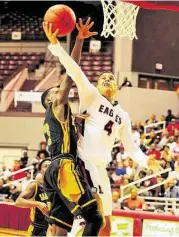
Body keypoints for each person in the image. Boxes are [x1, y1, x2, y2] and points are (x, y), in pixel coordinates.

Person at [45, 21, 156, 236]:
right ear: (97, 85)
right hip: (83, 164)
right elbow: (74, 70)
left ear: (116, 87)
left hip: (100, 169)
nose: (107, 78)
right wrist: (56, 46)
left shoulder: (123, 115)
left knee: (106, 224)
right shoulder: (91, 95)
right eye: (103, 77)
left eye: (111, 78)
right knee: (88, 219)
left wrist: (146, 160)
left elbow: (131, 148)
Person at [42, 19, 103, 236]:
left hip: (53, 170)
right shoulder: (57, 103)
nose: (60, 91)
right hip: (64, 167)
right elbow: (72, 72)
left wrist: (76, 121)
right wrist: (78, 40)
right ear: (50, 99)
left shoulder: (54, 118)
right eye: (56, 91)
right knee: (94, 219)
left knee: (59, 229)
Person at [15, 158, 51, 236]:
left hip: (54, 227)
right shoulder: (35, 185)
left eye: (50, 166)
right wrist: (37, 204)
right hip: (38, 228)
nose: (48, 168)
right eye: (45, 166)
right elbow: (18, 202)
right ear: (41, 170)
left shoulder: (59, 187)